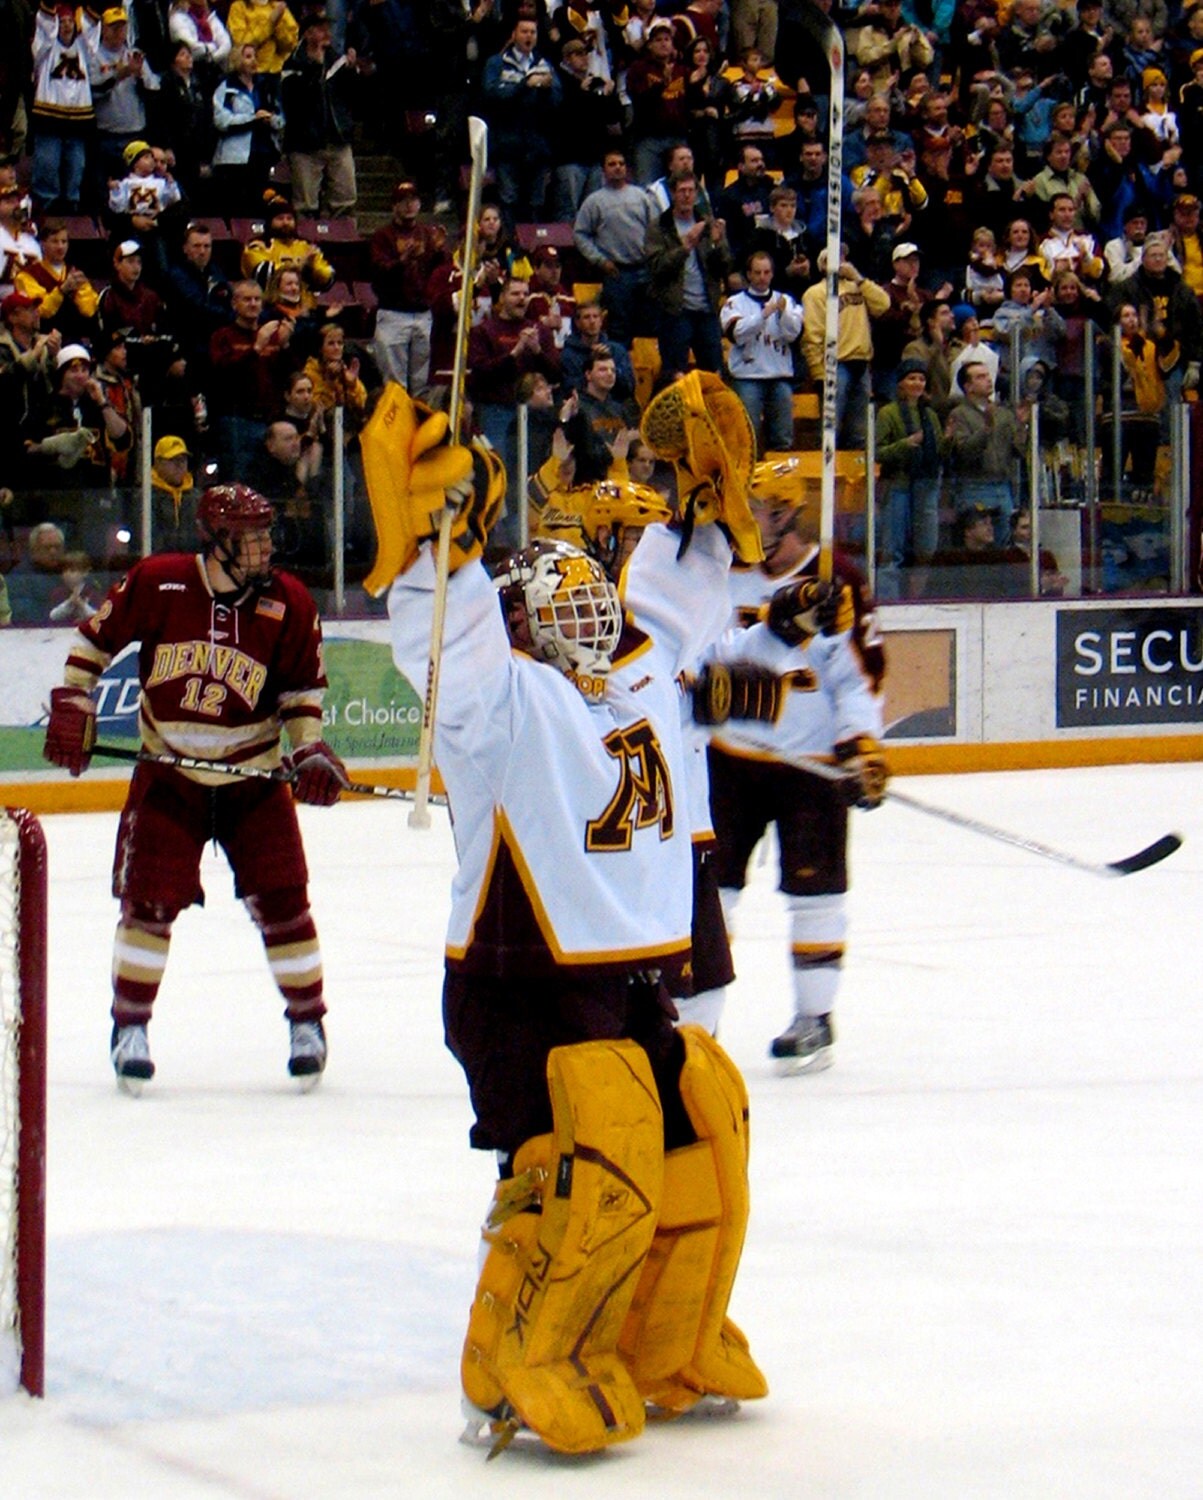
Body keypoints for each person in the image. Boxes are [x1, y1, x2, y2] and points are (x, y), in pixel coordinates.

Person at [369, 378, 765, 1455]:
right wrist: (434, 553)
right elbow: (442, 655)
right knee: (575, 1170)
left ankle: (663, 1339)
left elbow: (679, 596)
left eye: (595, 592)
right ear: (521, 624)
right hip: (517, 985)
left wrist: (705, 506)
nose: (588, 610)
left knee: (698, 1137)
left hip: (628, 978)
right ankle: (510, 1367)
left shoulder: (641, 675)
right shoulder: (499, 707)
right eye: (560, 600)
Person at [42, 482, 348, 1088]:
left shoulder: (289, 601)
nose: (264, 549)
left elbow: (300, 692)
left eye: (265, 536)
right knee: (147, 907)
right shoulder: (159, 581)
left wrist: (307, 746)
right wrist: (76, 699)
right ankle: (129, 1024)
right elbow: (93, 642)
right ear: (216, 541)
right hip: (168, 775)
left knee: (285, 902)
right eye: (250, 539)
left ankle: (307, 1021)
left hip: (253, 778)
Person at [706, 456, 887, 1071]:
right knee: (709, 893)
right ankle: (690, 1022)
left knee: (816, 893)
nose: (742, 522)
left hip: (809, 767)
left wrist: (861, 744)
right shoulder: (721, 572)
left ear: (786, 515)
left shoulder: (839, 580)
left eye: (755, 511)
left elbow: (859, 678)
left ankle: (814, 1017)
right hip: (728, 757)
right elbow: (705, 656)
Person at [645, 170, 733, 383]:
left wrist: (716, 243)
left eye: (691, 191)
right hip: (676, 312)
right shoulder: (660, 226)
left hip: (707, 310)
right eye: (681, 191)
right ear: (673, 194)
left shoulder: (707, 222)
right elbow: (656, 267)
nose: (686, 195)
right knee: (675, 375)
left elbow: (725, 267)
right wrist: (684, 247)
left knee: (714, 375)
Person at [368, 179, 450, 399]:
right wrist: (402, 260)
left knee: (423, 385)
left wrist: (440, 252)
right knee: (394, 386)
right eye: (403, 201)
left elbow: (440, 273)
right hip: (393, 313)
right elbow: (377, 272)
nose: (409, 205)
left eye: (413, 200)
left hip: (423, 313)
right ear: (394, 205)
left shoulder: (427, 234)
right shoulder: (382, 236)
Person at [480, 15, 562, 230]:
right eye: (524, 31)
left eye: (533, 32)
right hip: (508, 144)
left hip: (537, 145)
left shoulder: (544, 64)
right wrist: (525, 86)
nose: (529, 36)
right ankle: (508, 245)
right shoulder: (497, 63)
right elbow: (492, 94)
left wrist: (545, 90)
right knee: (509, 199)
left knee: (536, 202)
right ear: (514, 34)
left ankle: (532, 250)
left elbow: (557, 100)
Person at [875, 357, 947, 598]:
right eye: (912, 378)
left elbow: (939, 452)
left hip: (926, 486)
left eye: (921, 378)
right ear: (901, 383)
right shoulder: (888, 413)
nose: (917, 383)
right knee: (892, 550)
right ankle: (889, 600)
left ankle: (918, 599)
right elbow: (877, 452)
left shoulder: (931, 415)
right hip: (898, 485)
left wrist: (949, 440)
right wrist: (906, 445)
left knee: (925, 548)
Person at [722, 248, 803, 455]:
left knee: (783, 436)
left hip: (780, 375)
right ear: (748, 274)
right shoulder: (734, 303)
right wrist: (763, 315)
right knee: (749, 436)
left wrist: (783, 312)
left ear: (772, 274)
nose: (762, 277)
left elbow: (793, 333)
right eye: (757, 273)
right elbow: (737, 334)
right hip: (748, 376)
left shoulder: (785, 300)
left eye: (766, 272)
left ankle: (783, 480)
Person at [574, 147, 656, 347]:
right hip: (617, 274)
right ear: (604, 170)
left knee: (650, 324)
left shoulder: (642, 196)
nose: (617, 168)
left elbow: (657, 230)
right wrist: (599, 260)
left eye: (621, 164)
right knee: (620, 328)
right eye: (612, 164)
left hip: (645, 269)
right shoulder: (594, 202)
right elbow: (580, 234)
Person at [280, 11, 358, 219]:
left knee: (345, 199)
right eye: (320, 28)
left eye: (327, 28)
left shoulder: (337, 62)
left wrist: (353, 72)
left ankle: (344, 242)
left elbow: (352, 98)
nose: (326, 33)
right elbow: (295, 103)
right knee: (305, 205)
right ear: (307, 33)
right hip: (305, 143)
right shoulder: (292, 65)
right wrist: (313, 69)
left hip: (338, 139)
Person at [149, 432, 196, 551]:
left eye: (183, 460)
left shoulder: (195, 497)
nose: (179, 465)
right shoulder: (146, 496)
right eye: (173, 460)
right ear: (158, 463)